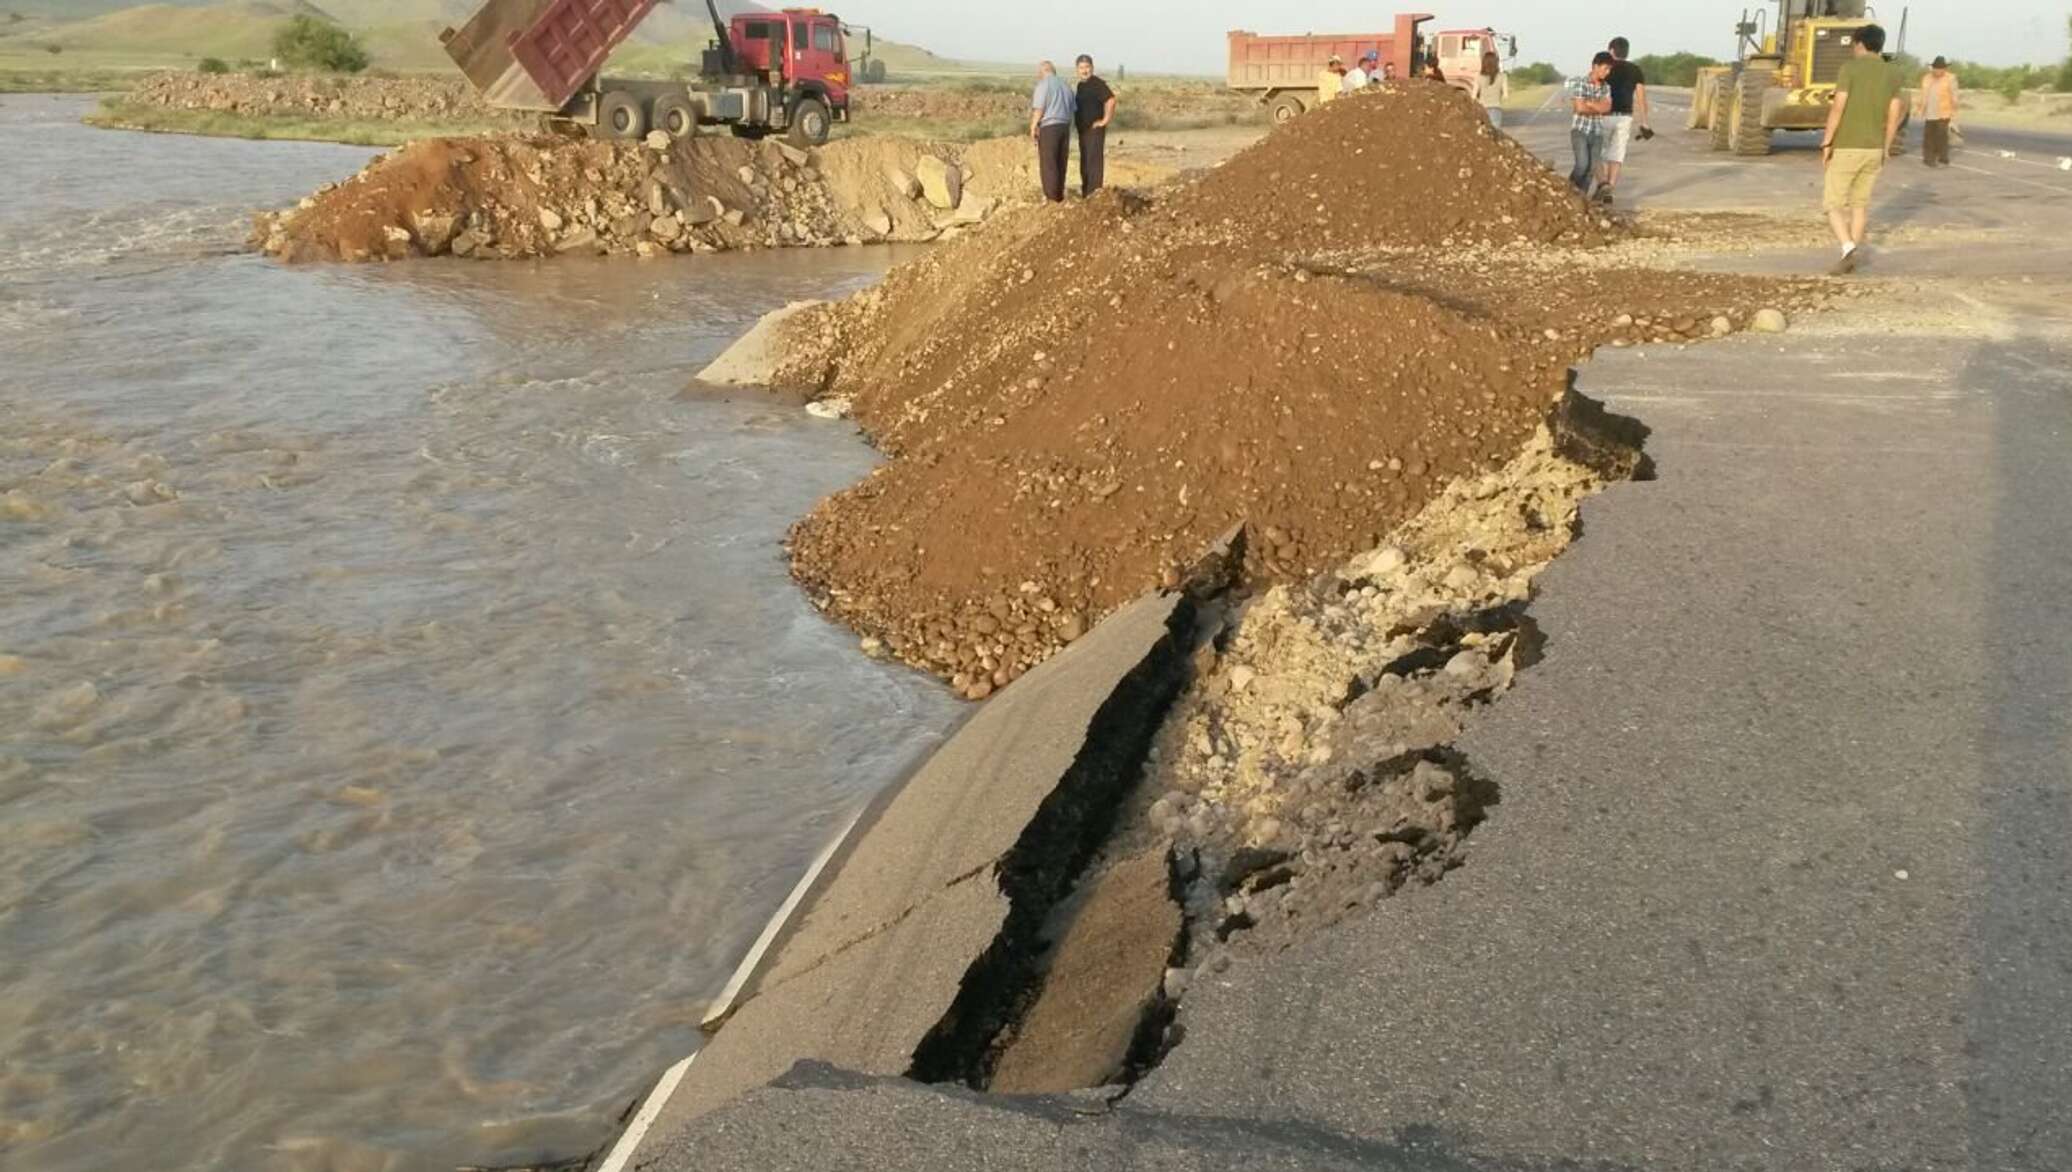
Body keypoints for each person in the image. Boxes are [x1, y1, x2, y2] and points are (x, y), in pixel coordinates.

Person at [1821, 24, 1905, 272]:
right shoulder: (1893, 73)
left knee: (1832, 204)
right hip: (1874, 150)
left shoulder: (1850, 69)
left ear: (1859, 44)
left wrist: (1826, 141)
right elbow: (1894, 113)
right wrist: (1886, 147)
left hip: (1848, 146)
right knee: (1859, 205)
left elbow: (1838, 107)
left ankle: (1848, 247)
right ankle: (1852, 255)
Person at [1599, 36, 1650, 204]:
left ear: (1611, 50)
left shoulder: (1604, 68)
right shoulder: (1636, 70)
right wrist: (1644, 121)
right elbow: (1641, 97)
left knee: (1600, 153)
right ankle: (1610, 190)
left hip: (1604, 116)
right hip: (1625, 117)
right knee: (1617, 155)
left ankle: (1603, 184)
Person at [1565, 52, 1615, 195]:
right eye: (1605, 68)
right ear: (1595, 66)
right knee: (1582, 165)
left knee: (1591, 170)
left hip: (1597, 132)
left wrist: (1590, 104)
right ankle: (1567, 191)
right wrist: (1598, 107)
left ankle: (1582, 198)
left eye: (1609, 69)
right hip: (1580, 130)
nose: (1608, 72)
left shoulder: (1606, 87)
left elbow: (1607, 109)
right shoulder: (1581, 83)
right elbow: (1580, 109)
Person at [1028, 60, 1075, 203]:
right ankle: (1059, 196)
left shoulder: (1043, 85)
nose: (1038, 76)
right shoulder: (1067, 86)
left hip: (1049, 127)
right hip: (1064, 127)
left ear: (1043, 71)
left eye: (1039, 73)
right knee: (1061, 162)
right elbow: (1073, 110)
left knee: (1049, 163)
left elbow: (1039, 108)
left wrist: (1033, 126)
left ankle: (1051, 198)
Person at [1073, 54, 1115, 197]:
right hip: (1083, 132)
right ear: (1077, 70)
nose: (1084, 70)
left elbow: (1110, 100)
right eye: (1081, 68)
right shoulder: (1081, 85)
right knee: (1085, 161)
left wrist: (1104, 120)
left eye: (1087, 67)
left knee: (1094, 162)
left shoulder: (1097, 83)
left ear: (1092, 68)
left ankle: (1095, 194)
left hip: (1094, 130)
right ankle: (1086, 193)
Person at [1915, 55, 1959, 167]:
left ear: (1944, 69)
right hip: (1930, 112)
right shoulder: (1926, 78)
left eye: (1940, 68)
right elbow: (1923, 95)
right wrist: (1919, 109)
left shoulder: (1951, 78)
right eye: (1936, 68)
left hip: (1944, 112)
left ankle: (1943, 158)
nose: (1937, 70)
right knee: (1929, 136)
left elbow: (1954, 96)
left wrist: (1954, 113)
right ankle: (1929, 159)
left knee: (1941, 136)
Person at [1474, 48, 1509, 129]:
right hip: (1496, 109)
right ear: (1496, 63)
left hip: (1481, 109)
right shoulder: (1503, 76)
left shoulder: (1478, 76)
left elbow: (1473, 96)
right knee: (1495, 135)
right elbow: (1506, 96)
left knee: (1483, 136)